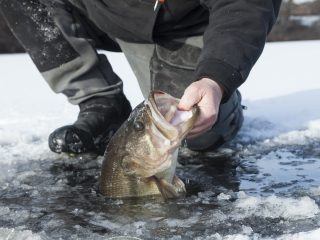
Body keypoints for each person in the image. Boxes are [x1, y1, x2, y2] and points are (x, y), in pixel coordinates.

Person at [0, 0, 281, 156]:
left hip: (185, 28)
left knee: (191, 133)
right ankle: (100, 103)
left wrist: (216, 78)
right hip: (104, 14)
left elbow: (244, 5)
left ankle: (223, 104)